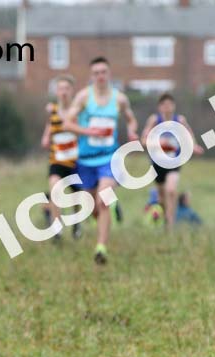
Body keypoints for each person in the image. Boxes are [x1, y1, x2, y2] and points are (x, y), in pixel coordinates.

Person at [64, 57, 138, 264]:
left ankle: (101, 248)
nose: (100, 76)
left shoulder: (120, 99)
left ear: (109, 74)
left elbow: (130, 118)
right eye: (96, 73)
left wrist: (132, 130)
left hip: (109, 158)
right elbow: (67, 123)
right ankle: (108, 216)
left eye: (103, 72)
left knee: (103, 199)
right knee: (92, 207)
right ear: (91, 76)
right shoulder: (83, 97)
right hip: (86, 160)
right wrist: (88, 131)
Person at [140, 93, 204, 230]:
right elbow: (144, 141)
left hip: (174, 161)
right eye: (164, 105)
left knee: (171, 190)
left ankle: (170, 224)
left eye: (170, 105)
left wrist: (194, 146)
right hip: (157, 163)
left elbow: (189, 134)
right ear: (160, 107)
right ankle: (164, 220)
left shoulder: (179, 120)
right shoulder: (154, 120)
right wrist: (159, 143)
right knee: (162, 197)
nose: (167, 108)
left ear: (174, 106)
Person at [40, 75, 81, 240]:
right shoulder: (53, 112)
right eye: (61, 89)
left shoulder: (77, 111)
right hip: (56, 161)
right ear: (56, 92)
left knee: (77, 196)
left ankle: (76, 224)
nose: (63, 92)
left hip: (76, 162)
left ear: (72, 91)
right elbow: (46, 137)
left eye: (67, 89)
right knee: (54, 189)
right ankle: (57, 228)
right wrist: (46, 138)